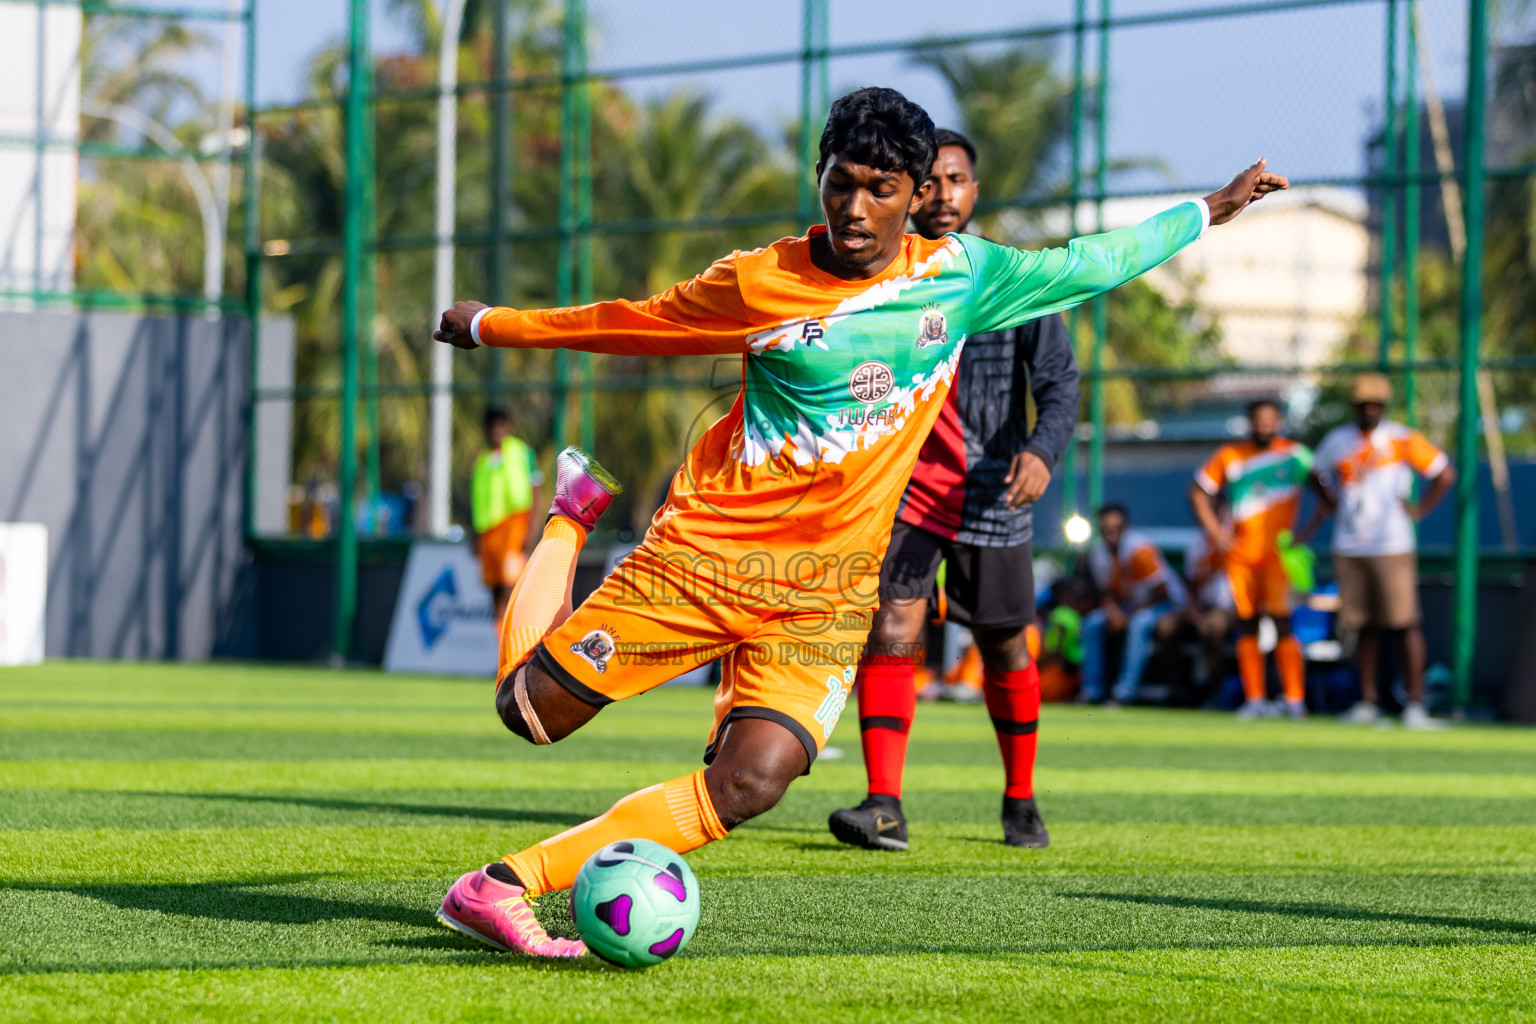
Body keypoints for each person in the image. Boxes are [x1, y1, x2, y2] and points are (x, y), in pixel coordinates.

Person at [429, 86, 1287, 959]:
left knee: (753, 782)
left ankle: (501, 888)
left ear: (917, 195)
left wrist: (1205, 211)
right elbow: (629, 324)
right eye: (842, 182)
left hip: (827, 593)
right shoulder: (756, 282)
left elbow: (1089, 260)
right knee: (530, 715)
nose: (855, 207)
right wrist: (491, 326)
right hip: (706, 559)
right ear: (820, 178)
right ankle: (570, 520)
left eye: (881, 188)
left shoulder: (960, 277)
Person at [825, 128, 1079, 853]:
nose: (942, 194)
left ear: (976, 190)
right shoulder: (883, 275)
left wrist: (1042, 450)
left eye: (956, 180)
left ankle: (1021, 799)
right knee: (893, 630)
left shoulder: (1014, 279)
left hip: (994, 493)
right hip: (905, 491)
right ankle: (884, 803)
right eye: (928, 181)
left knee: (1003, 647)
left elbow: (1059, 385)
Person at [1305, 373, 1454, 729]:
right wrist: (1328, 499)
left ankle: (1415, 705)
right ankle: (1368, 702)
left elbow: (1444, 473)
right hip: (1350, 544)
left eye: (1375, 405)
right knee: (1363, 625)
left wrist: (1419, 509)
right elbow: (1313, 471)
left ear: (1384, 407)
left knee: (1404, 623)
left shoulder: (1401, 439)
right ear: (1354, 407)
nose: (1369, 410)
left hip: (1392, 543)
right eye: (1362, 405)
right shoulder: (1338, 440)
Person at [1188, 398, 1313, 719]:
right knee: (1247, 626)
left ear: (1280, 422)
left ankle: (1294, 698)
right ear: (1250, 423)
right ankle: (1255, 698)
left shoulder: (1295, 454)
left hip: (1278, 557)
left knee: (1284, 624)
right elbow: (1198, 493)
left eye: (1271, 420)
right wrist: (1216, 533)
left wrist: (1305, 533)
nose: (1265, 426)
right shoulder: (1231, 456)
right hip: (1240, 557)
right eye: (1259, 420)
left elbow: (1326, 492)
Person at [1081, 504, 1187, 705]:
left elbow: (1161, 592)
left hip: (1166, 603)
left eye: (1116, 529)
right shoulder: (1099, 553)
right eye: (1106, 530)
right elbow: (1108, 592)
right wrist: (1113, 612)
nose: (1111, 534)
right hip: (1130, 606)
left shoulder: (1139, 550)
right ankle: (1091, 691)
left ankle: (1124, 692)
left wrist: (1126, 616)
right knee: (1092, 624)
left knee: (1138, 624)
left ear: (1125, 528)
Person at [471, 408, 543, 619]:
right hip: (489, 530)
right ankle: (501, 643)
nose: (497, 430)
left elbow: (535, 492)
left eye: (501, 425)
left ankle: (517, 641)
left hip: (514, 525)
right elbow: (477, 498)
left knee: (512, 584)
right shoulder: (481, 458)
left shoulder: (522, 452)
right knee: (495, 589)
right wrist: (476, 535)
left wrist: (531, 530)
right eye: (492, 426)